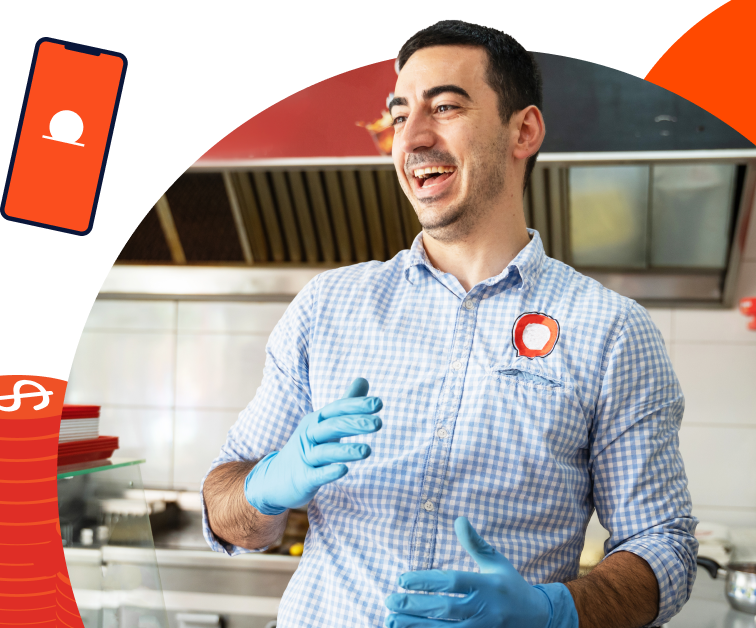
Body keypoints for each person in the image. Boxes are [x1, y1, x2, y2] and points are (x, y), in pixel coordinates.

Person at [201, 20, 697, 628]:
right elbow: (228, 514)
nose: (413, 137)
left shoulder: (611, 330)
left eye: (445, 106)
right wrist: (263, 487)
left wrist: (554, 612)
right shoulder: (326, 306)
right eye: (400, 113)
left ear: (524, 130)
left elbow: (663, 546)